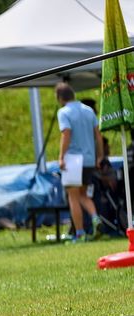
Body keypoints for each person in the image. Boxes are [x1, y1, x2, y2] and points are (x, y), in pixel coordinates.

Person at [55, 82, 104, 241]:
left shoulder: (64, 112)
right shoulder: (88, 110)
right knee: (84, 194)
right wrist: (100, 156)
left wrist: (61, 156)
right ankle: (95, 218)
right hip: (89, 159)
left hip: (73, 159)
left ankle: (80, 234)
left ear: (60, 98)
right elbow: (98, 135)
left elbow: (66, 134)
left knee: (73, 196)